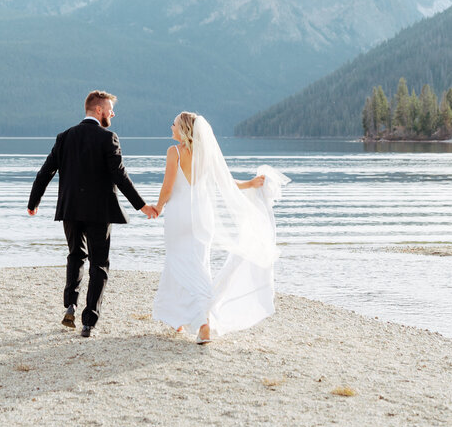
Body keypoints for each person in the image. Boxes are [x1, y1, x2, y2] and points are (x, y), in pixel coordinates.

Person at [152, 111, 289, 344]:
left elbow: (167, 188)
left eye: (174, 124)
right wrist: (250, 184)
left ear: (183, 129)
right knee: (198, 263)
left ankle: (202, 323)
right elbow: (226, 181)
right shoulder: (206, 154)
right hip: (203, 217)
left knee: (178, 262)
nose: (171, 126)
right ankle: (181, 318)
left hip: (179, 216)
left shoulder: (174, 152)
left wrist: (157, 207)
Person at [28, 90, 157, 337]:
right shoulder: (108, 138)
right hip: (100, 211)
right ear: (98, 110)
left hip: (70, 209)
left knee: (76, 255)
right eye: (110, 108)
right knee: (99, 264)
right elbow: (120, 175)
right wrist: (142, 206)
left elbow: (45, 172)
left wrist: (34, 202)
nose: (112, 113)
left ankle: (70, 304)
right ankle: (89, 322)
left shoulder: (64, 137)